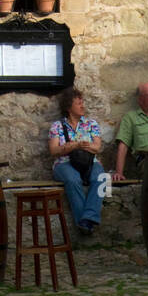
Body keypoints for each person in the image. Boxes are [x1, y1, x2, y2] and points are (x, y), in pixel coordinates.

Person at [48, 86, 105, 234]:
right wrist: (73, 146)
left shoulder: (91, 124)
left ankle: (88, 218)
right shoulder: (57, 126)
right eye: (78, 103)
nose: (82, 106)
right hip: (64, 163)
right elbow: (54, 150)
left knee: (102, 178)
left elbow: (97, 147)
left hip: (89, 162)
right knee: (73, 179)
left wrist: (81, 146)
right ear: (68, 106)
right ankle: (85, 223)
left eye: (82, 102)